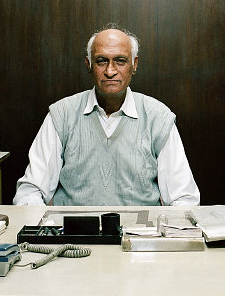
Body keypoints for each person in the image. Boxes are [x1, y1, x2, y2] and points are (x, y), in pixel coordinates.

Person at [13, 26, 199, 206]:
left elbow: (183, 198)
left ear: (134, 65)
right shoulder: (62, 114)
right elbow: (30, 191)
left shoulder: (158, 117)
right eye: (101, 61)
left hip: (138, 234)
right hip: (72, 235)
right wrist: (48, 230)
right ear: (89, 65)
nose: (110, 71)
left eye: (120, 61)